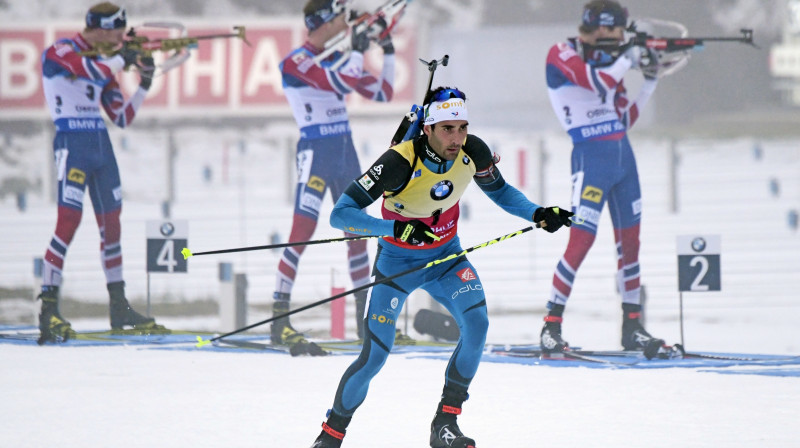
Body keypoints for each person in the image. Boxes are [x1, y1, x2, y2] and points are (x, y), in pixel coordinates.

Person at [310, 86, 573, 447]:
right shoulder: (398, 161)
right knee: (374, 357)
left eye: (462, 127)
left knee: (477, 326)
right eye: (448, 128)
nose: (457, 138)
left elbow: (500, 191)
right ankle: (331, 435)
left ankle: (444, 424)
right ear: (428, 129)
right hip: (397, 264)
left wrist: (538, 212)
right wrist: (394, 228)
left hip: (447, 260)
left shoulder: (473, 152)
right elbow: (341, 215)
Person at [271, 0, 398, 355]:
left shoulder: (335, 56)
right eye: (341, 16)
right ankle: (279, 318)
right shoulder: (297, 61)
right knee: (303, 229)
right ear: (323, 21)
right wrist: (357, 51)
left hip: (344, 151)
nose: (346, 21)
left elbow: (383, 92)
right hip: (316, 152)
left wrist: (385, 50)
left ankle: (363, 323)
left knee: (357, 234)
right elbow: (340, 80)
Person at [541, 0, 665, 356]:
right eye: (611, 32)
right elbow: (597, 81)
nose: (615, 38)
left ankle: (632, 326)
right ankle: (551, 324)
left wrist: (650, 83)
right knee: (581, 241)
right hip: (590, 157)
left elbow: (623, 118)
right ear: (594, 29)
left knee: (631, 246)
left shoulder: (611, 60)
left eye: (620, 34)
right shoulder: (562, 53)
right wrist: (629, 58)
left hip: (623, 157)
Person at [37, 2, 165, 344]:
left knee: (113, 224)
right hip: (73, 142)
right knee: (68, 220)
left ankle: (119, 305)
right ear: (99, 29)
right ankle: (48, 306)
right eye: (116, 34)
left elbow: (122, 116)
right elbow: (90, 72)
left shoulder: (104, 64)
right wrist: (124, 58)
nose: (120, 39)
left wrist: (144, 83)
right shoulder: (62, 50)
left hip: (100, 146)